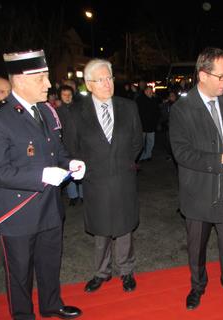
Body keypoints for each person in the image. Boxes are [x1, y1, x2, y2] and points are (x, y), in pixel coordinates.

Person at [0, 50, 84, 320]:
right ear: (20, 80)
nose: (49, 84)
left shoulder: (46, 112)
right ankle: (23, 315)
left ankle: (51, 304)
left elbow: (56, 152)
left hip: (49, 207)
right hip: (16, 213)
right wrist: (40, 176)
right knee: (19, 272)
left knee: (50, 263)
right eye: (42, 78)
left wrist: (71, 164)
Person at [169, 47, 223, 312]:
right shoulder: (182, 109)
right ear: (203, 75)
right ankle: (197, 286)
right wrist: (222, 159)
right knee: (197, 248)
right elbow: (182, 154)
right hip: (198, 193)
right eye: (222, 76)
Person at [63, 59, 143, 295]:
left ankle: (126, 270)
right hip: (95, 180)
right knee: (101, 228)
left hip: (123, 176)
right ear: (88, 84)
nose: (107, 84)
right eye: (101, 80)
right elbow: (72, 146)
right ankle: (101, 272)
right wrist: (90, 168)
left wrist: (123, 161)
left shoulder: (128, 107)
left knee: (124, 226)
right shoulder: (76, 112)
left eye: (109, 78)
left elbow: (137, 141)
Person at [56, 85, 83, 206]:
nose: (67, 97)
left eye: (69, 95)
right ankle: (73, 195)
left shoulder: (79, 109)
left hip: (80, 144)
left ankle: (83, 194)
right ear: (60, 96)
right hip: (65, 146)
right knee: (69, 170)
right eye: (64, 95)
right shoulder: (57, 112)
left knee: (81, 168)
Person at [137, 85, 160, 161]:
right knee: (142, 143)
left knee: (151, 142)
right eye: (149, 91)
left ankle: (148, 155)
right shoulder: (140, 100)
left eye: (151, 91)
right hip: (142, 125)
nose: (151, 92)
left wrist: (157, 121)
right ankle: (141, 156)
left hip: (151, 125)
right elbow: (139, 113)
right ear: (145, 91)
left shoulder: (154, 100)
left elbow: (157, 111)